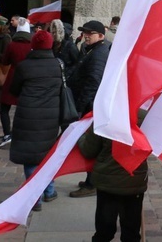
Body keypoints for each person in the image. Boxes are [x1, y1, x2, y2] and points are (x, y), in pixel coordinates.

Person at [9, 30, 61, 211]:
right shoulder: (58, 65)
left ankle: (34, 198)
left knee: (30, 157)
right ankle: (49, 190)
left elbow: (14, 89)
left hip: (27, 116)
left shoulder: (24, 66)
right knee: (47, 155)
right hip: (50, 117)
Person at [78, 124, 148, 242]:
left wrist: (80, 136)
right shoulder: (145, 118)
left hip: (108, 184)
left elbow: (88, 151)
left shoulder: (104, 119)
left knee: (104, 231)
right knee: (131, 233)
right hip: (134, 181)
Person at [68, 20, 110, 198]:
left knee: (90, 146)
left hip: (90, 108)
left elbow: (93, 81)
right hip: (88, 106)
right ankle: (90, 180)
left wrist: (79, 107)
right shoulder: (92, 49)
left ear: (101, 35)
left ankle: (91, 183)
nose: (86, 35)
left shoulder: (99, 53)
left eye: (90, 33)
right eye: (85, 32)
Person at [0, 18, 32, 148]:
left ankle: (7, 134)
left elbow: (5, 61)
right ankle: (21, 134)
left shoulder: (12, 45)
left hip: (13, 77)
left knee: (5, 107)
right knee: (23, 108)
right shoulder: (32, 45)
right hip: (28, 78)